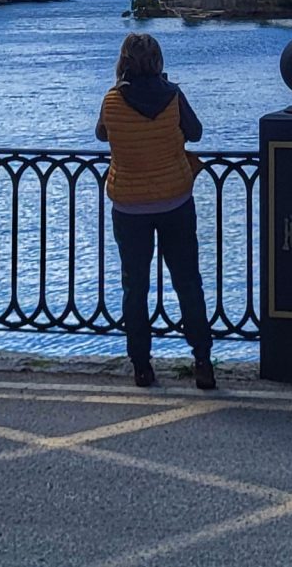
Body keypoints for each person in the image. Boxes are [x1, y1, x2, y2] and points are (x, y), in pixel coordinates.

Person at [96, 32, 215, 389]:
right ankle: (202, 361)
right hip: (175, 201)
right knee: (187, 282)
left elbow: (102, 134)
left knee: (135, 287)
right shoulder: (173, 96)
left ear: (123, 62)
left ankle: (141, 366)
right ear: (158, 61)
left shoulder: (112, 99)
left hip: (129, 206)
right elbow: (196, 132)